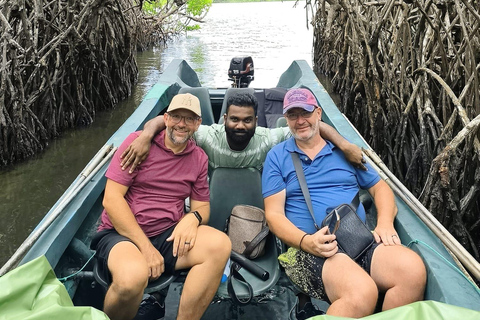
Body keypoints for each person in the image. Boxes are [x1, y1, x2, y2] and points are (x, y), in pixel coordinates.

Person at [262, 88, 426, 318]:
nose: (300, 121)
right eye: (292, 115)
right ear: (286, 119)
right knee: (362, 292)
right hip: (308, 251)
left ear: (318, 113)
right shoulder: (277, 157)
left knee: (412, 270)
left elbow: (380, 188)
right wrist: (307, 242)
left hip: (358, 240)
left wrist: (385, 223)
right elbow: (274, 215)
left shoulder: (346, 152)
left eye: (305, 113)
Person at [91, 93, 231, 320]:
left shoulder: (199, 158)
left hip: (167, 234)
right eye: (176, 116)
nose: (181, 124)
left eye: (189, 119)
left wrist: (191, 218)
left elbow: (202, 207)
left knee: (220, 245)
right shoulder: (137, 144)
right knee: (132, 279)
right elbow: (112, 199)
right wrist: (146, 249)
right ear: (165, 118)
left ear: (197, 124)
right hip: (121, 234)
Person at [119, 92, 366, 175]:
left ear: (257, 122)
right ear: (224, 119)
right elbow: (169, 123)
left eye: (247, 120)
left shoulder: (267, 139)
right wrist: (144, 136)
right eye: (234, 119)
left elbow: (309, 127)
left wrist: (345, 146)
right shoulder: (206, 135)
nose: (240, 126)